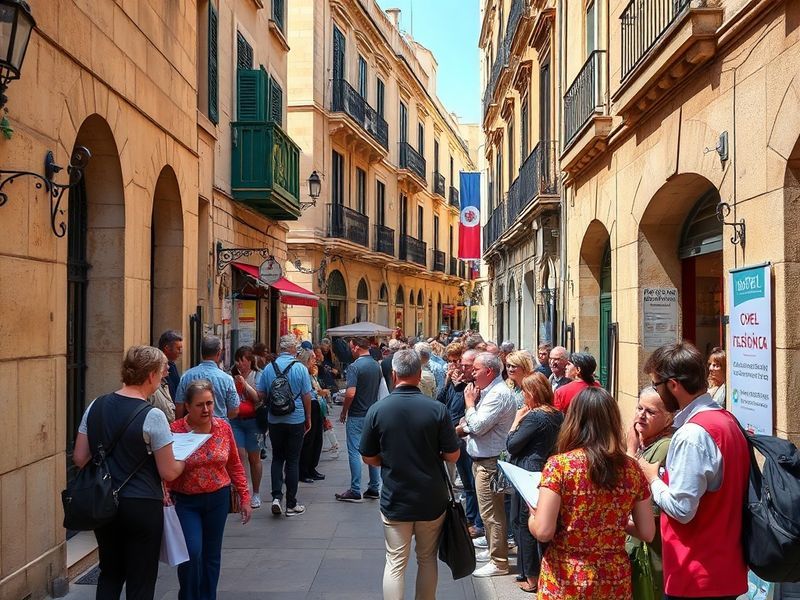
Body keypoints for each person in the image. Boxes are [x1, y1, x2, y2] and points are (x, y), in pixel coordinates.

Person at [72, 345, 186, 600]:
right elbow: (168, 471)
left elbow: (80, 458)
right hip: (143, 503)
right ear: (150, 376)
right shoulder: (153, 415)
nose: (162, 377)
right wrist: (184, 462)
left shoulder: (96, 406)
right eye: (161, 372)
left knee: (110, 573)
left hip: (104, 503)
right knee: (141, 579)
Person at [640, 342, 748, 600]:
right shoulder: (728, 420)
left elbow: (682, 509)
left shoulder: (692, 434)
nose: (656, 390)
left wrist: (653, 478)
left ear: (674, 385)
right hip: (723, 569)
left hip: (696, 574)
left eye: (657, 385)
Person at [529, 387, 655, 599]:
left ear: (573, 420)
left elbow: (543, 531)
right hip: (613, 579)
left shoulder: (560, 466)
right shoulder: (632, 470)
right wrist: (608, 523)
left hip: (566, 577)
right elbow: (647, 532)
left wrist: (533, 515)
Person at [360, 349, 461, 600]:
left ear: (394, 375)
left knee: (395, 561)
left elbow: (367, 457)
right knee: (427, 559)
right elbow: (453, 455)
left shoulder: (377, 410)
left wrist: (389, 460)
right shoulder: (437, 409)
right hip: (431, 498)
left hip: (396, 496)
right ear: (419, 374)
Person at [168, 379, 252, 600]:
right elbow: (166, 467)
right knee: (191, 552)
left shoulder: (222, 427)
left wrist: (244, 495)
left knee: (212, 555)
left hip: (218, 497)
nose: (206, 409)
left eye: (209, 403)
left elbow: (234, 462)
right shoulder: (175, 430)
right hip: (185, 500)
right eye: (199, 405)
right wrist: (165, 494)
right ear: (187, 406)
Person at [458, 352, 516, 577]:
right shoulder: (491, 391)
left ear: (489, 371)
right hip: (483, 459)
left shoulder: (498, 394)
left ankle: (499, 561)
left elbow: (478, 426)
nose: (472, 372)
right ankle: (495, 551)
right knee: (489, 512)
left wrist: (470, 404)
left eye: (476, 369)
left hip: (489, 462)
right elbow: (471, 424)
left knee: (492, 513)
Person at [506, 372, 563, 594]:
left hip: (528, 470)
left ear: (532, 393)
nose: (522, 395)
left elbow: (512, 445)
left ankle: (531, 577)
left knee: (525, 522)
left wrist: (516, 421)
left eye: (524, 391)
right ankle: (540, 571)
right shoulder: (558, 415)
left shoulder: (534, 417)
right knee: (542, 521)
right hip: (547, 467)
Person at [625, 386, 676, 600]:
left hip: (652, 557)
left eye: (650, 412)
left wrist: (629, 453)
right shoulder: (645, 444)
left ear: (668, 418)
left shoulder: (664, 447)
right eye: (639, 408)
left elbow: (640, 504)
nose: (641, 415)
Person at [257, 334, 313, 517]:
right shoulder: (300, 368)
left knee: (277, 458)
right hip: (295, 418)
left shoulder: (268, 368)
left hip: (275, 419)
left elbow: (261, 394)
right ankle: (291, 504)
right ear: (292, 349)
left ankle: (275, 497)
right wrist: (308, 417)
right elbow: (307, 395)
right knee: (293, 460)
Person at [436, 345, 483, 538]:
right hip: (454, 435)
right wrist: (447, 382)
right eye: (454, 362)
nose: (457, 367)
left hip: (465, 436)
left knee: (472, 483)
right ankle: (471, 518)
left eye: (462, 363)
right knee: (466, 481)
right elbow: (439, 402)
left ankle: (476, 522)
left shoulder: (473, 386)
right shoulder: (455, 384)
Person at [336, 337, 382, 502]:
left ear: (356, 347)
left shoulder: (354, 367)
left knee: (354, 451)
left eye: (350, 347)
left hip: (357, 414)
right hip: (373, 413)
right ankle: (374, 487)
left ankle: (356, 489)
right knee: (373, 450)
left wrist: (343, 411)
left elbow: (350, 393)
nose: (350, 350)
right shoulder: (376, 365)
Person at [229, 345, 263, 509]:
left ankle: (256, 492)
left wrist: (245, 385)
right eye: (237, 361)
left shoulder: (258, 375)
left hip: (254, 421)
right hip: (236, 420)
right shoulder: (231, 375)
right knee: (239, 455)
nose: (239, 365)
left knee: (254, 457)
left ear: (249, 361)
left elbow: (257, 398)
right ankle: (243, 491)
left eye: (242, 361)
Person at [174, 336, 239, 420]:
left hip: (193, 427)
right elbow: (234, 410)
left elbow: (179, 406)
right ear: (219, 353)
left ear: (202, 353)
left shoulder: (186, 376)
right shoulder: (227, 379)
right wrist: (222, 420)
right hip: (219, 428)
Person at [297, 348, 325, 483]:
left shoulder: (312, 373)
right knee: (308, 440)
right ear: (306, 360)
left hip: (317, 405)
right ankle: (303, 470)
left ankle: (312, 467)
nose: (316, 360)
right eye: (313, 358)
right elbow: (307, 392)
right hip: (309, 406)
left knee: (317, 439)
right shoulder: (303, 373)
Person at [158, 330, 183, 400]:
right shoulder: (157, 367)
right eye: (178, 349)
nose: (180, 352)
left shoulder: (172, 365)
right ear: (167, 348)